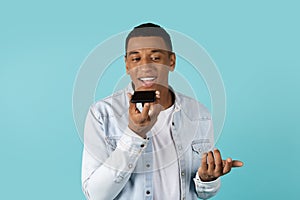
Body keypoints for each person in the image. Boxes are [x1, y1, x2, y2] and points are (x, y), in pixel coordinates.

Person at [81, 23, 243, 200]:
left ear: (171, 61)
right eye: (136, 59)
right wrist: (135, 134)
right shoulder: (102, 114)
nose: (145, 66)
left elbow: (204, 193)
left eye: (155, 57)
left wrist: (207, 180)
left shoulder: (199, 115)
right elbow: (96, 195)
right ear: (127, 65)